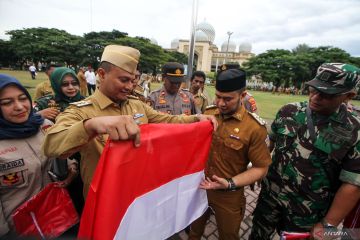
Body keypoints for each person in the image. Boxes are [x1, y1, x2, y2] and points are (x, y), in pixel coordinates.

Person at [42, 45, 217, 198]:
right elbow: (51, 145)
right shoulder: (81, 110)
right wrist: (91, 126)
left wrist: (197, 118)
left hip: (138, 193)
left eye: (133, 81)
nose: (129, 87)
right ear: (102, 74)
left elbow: (168, 119)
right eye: (123, 80)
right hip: (105, 199)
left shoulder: (136, 105)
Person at [249, 63, 360, 240]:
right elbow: (269, 143)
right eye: (313, 89)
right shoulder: (289, 111)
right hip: (270, 197)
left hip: (307, 211)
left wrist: (328, 224)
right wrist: (257, 169)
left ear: (349, 95)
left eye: (326, 94)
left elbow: (353, 184)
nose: (315, 97)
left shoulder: (354, 131)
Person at [188, 64, 272, 240]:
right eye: (218, 97)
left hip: (229, 195)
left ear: (242, 95)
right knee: (194, 232)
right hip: (200, 187)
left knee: (228, 235)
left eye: (227, 99)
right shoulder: (209, 113)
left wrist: (230, 183)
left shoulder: (254, 127)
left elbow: (260, 168)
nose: (220, 103)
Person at [0, 74, 77, 238]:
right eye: (7, 103)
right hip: (18, 228)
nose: (20, 107)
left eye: (23, 98)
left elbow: (57, 154)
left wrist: (70, 166)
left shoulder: (45, 126)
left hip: (56, 216)